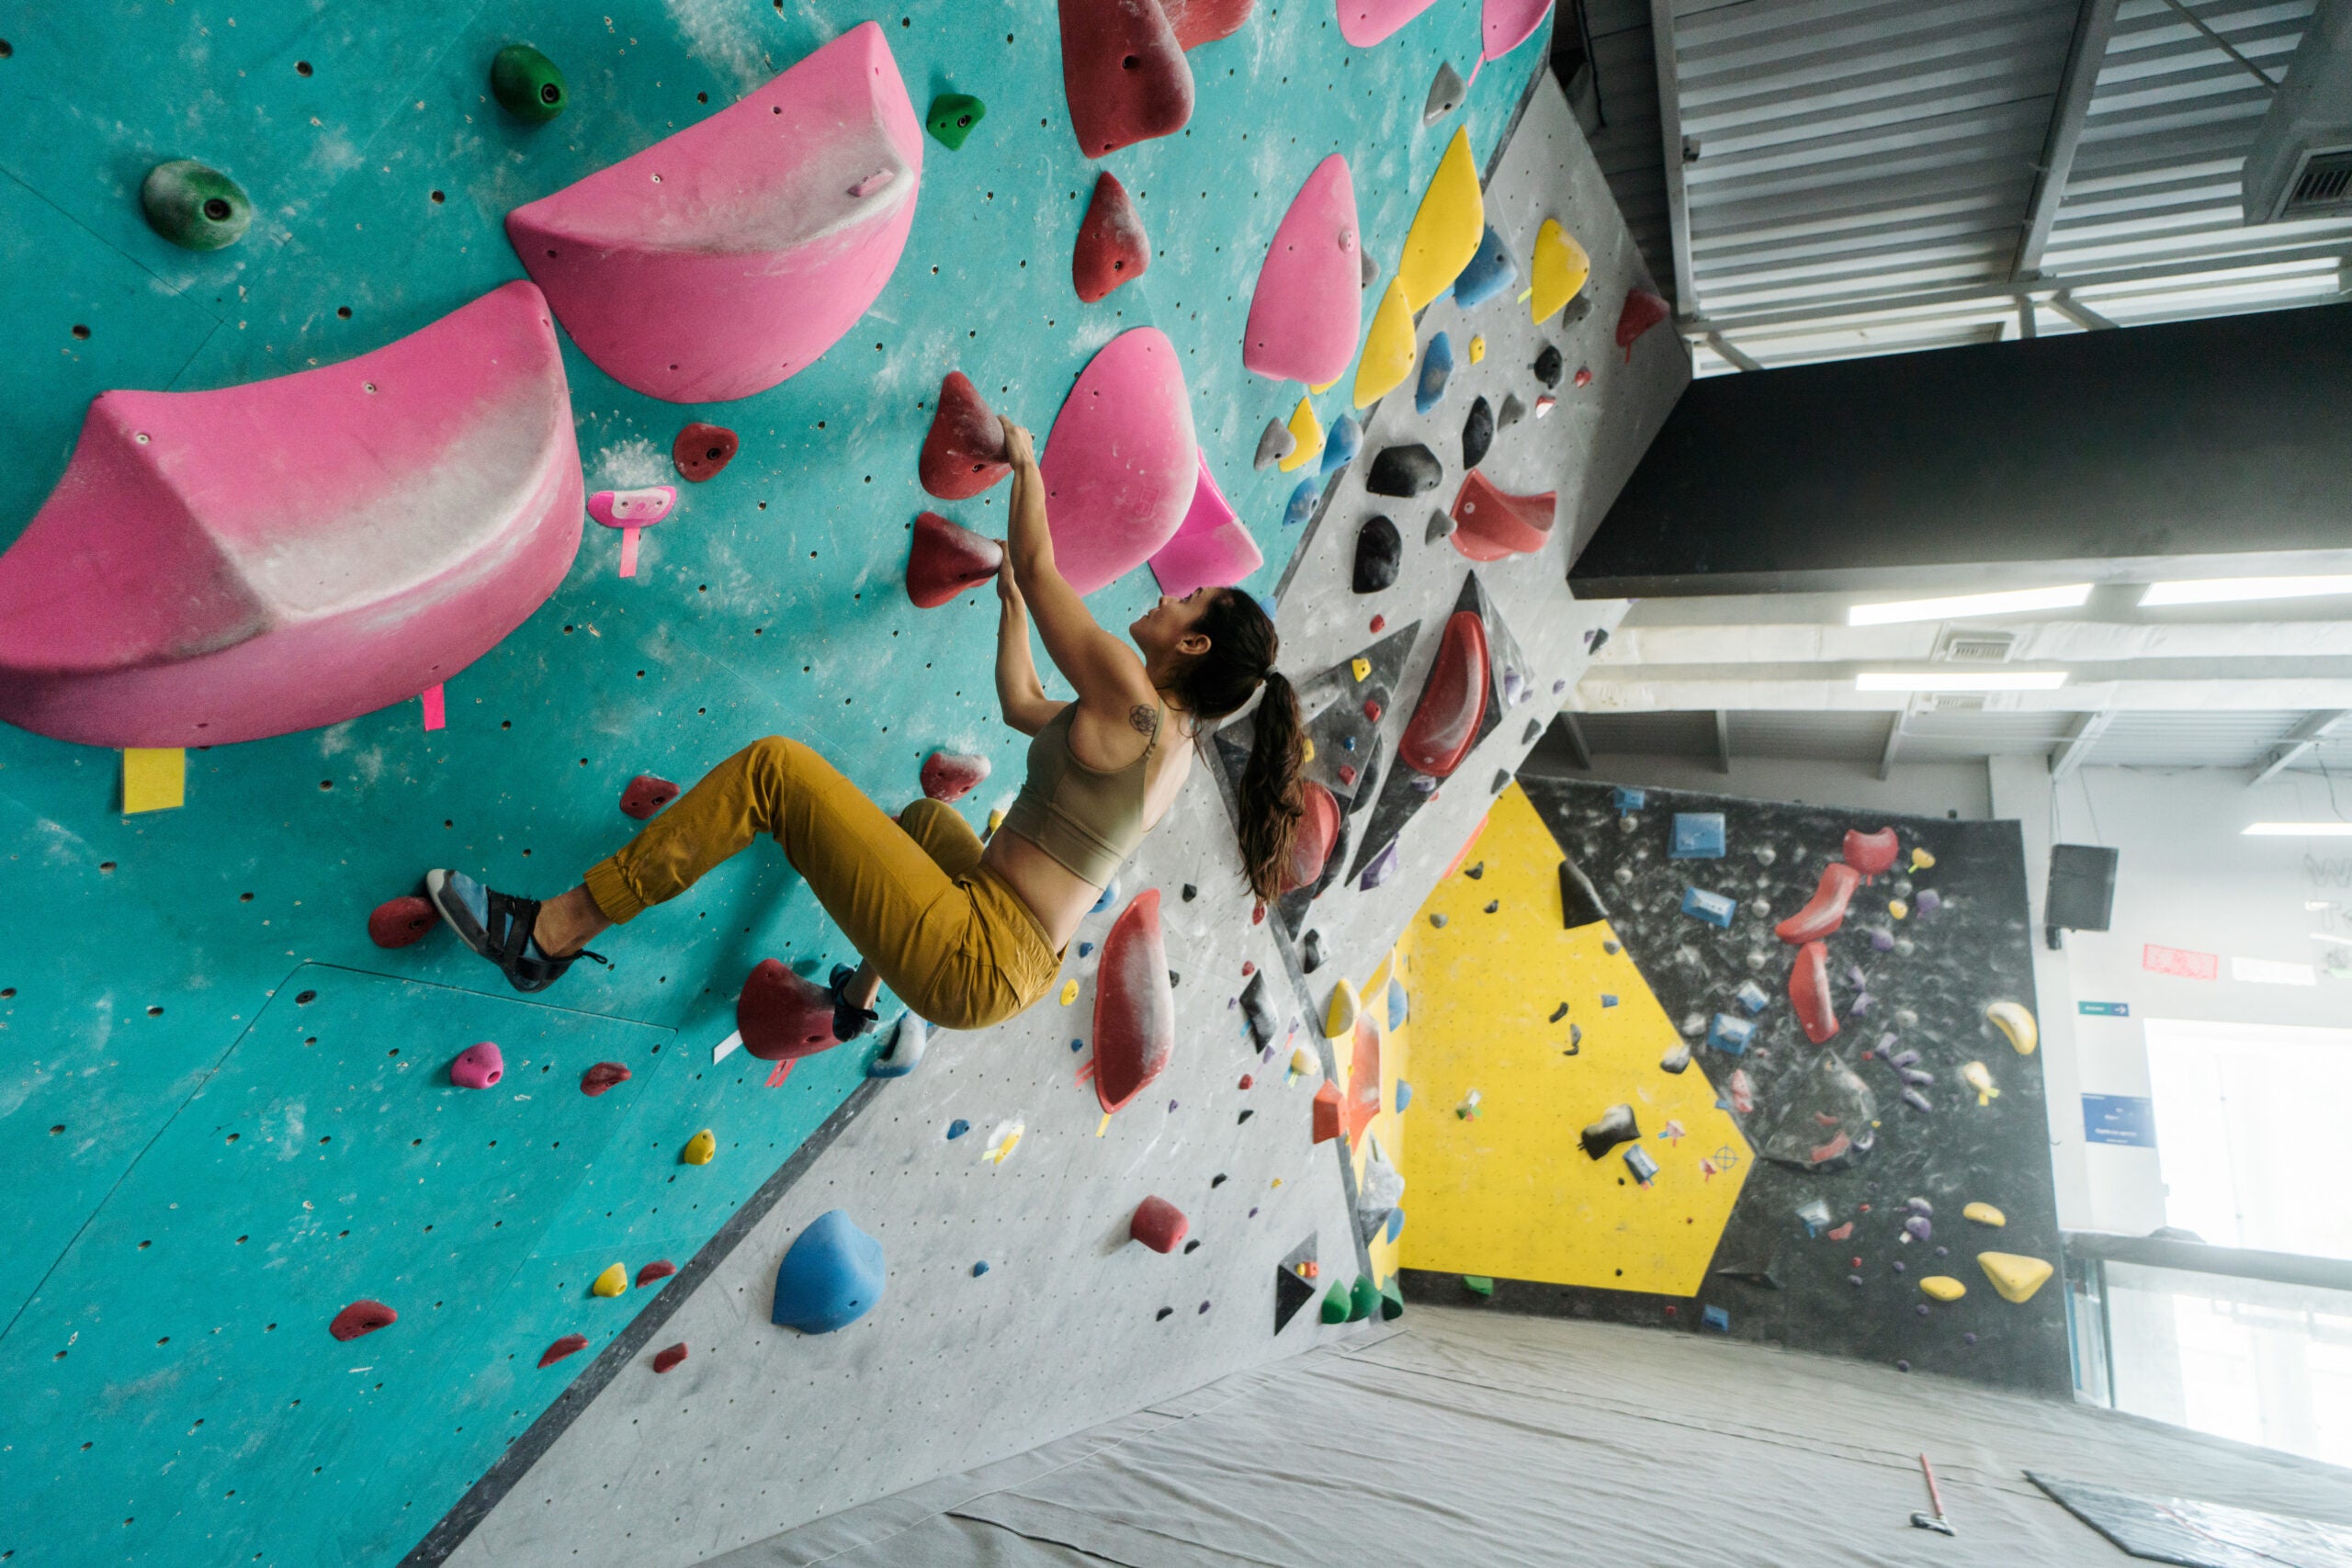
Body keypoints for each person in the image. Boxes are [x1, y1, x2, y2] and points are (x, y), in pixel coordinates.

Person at [427, 418, 1304, 1036]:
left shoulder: (1136, 696)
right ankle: (860, 996)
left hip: (977, 954)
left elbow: (1039, 566)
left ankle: (553, 929)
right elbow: (1021, 706)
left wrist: (1026, 465)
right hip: (1008, 951)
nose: (1166, 594)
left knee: (775, 772)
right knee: (925, 824)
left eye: (1188, 599)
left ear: (1192, 642)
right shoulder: (1168, 748)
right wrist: (1007, 609)